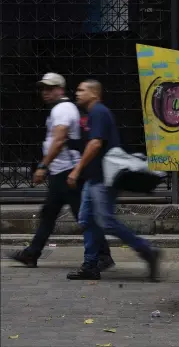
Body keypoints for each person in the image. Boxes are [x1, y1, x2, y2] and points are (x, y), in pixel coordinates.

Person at [7, 73, 114, 269]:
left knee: (82, 216)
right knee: (50, 214)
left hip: (68, 172)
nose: (45, 92)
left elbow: (59, 140)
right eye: (43, 88)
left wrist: (42, 166)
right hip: (61, 173)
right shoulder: (59, 108)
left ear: (60, 90)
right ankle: (32, 253)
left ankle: (103, 255)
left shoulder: (63, 109)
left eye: (50, 88)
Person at [66, 80, 161, 281]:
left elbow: (95, 143)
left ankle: (147, 251)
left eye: (81, 89)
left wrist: (77, 170)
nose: (77, 93)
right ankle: (90, 265)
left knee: (106, 221)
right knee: (87, 219)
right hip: (93, 178)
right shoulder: (93, 113)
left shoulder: (98, 111)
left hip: (103, 180)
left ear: (94, 93)